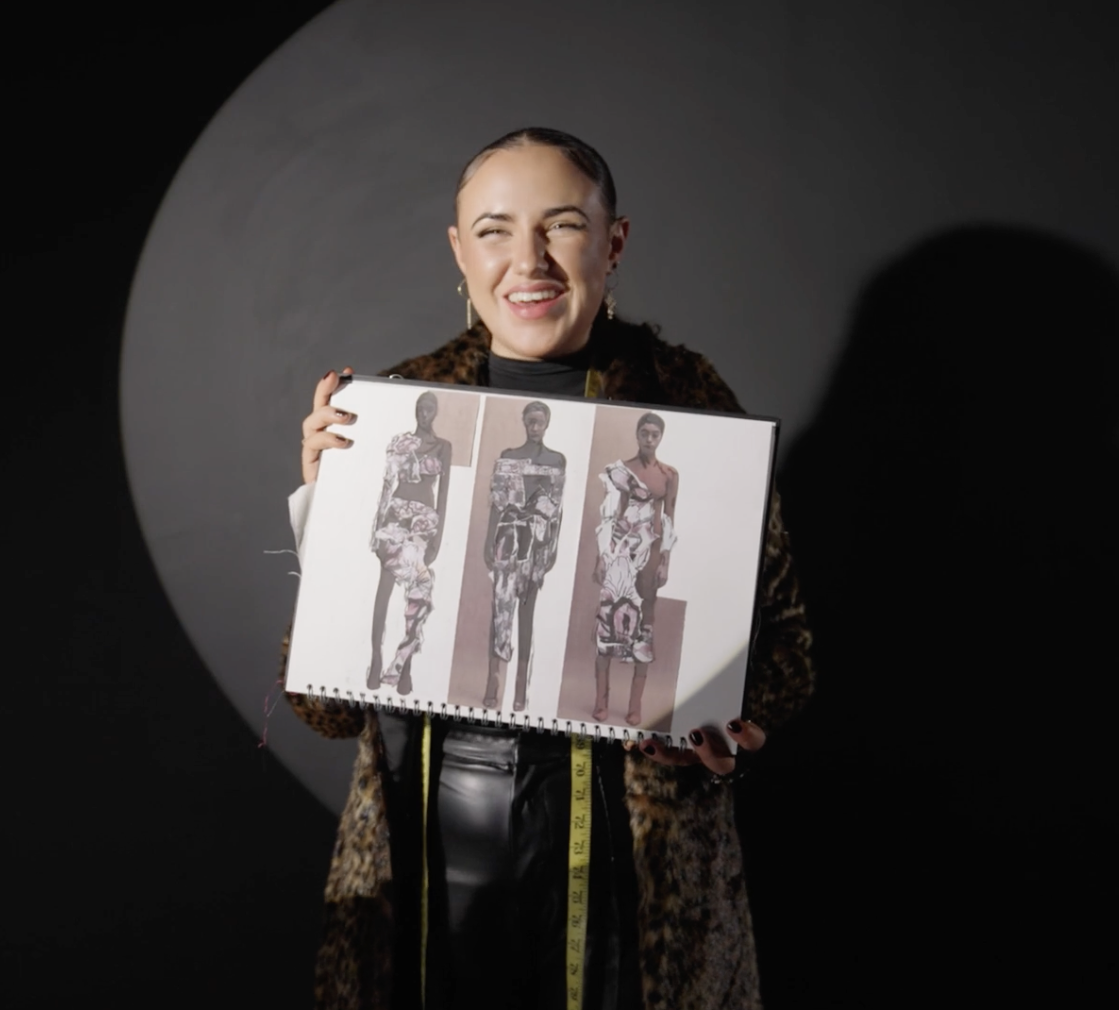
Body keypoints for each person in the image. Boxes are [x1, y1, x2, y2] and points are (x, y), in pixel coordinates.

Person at [284, 128, 814, 1009]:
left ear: (614, 242)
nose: (527, 260)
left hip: (631, 869)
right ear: (460, 250)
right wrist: (327, 519)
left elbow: (786, 648)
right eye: (494, 230)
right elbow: (326, 708)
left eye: (562, 225)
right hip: (434, 852)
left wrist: (732, 719)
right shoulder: (393, 412)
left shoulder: (688, 408)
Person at [592, 411, 678, 726]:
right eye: (645, 433)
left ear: (661, 437)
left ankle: (634, 707)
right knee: (607, 624)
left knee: (644, 628)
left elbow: (669, 519)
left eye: (655, 434)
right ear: (638, 434)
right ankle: (601, 702)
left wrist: (665, 560)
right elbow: (610, 515)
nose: (649, 438)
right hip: (620, 554)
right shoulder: (621, 471)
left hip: (650, 555)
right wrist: (602, 557)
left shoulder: (669, 475)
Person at [483, 400, 565, 711]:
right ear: (523, 421)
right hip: (506, 539)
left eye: (539, 422)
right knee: (499, 611)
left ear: (547, 424)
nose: (534, 427)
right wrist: (488, 541)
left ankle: (520, 688)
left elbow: (557, 510)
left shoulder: (557, 460)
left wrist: (552, 548)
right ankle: (493, 683)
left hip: (536, 545)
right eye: (530, 421)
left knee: (526, 615)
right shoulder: (508, 457)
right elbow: (497, 503)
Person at [367, 391, 452, 696]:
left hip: (423, 525)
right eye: (420, 408)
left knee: (417, 598)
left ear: (436, 413)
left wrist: (438, 538)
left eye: (429, 409)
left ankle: (405, 669)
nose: (423, 414)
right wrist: (377, 528)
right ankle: (376, 659)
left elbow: (444, 493)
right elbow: (387, 484)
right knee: (384, 592)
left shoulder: (443, 447)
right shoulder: (400, 443)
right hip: (393, 519)